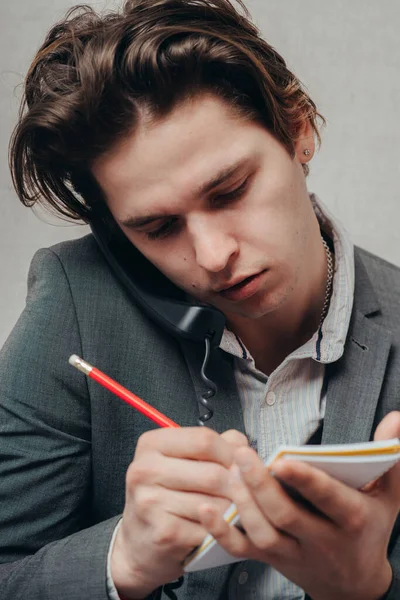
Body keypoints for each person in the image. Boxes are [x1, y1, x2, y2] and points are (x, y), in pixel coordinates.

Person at [1, 0, 400, 598]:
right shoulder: (74, 305)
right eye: (158, 229)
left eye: (231, 190)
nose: (213, 255)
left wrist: (366, 587)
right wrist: (121, 560)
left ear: (299, 129)